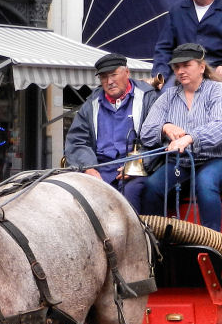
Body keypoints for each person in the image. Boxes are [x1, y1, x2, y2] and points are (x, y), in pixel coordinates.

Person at [139, 43, 222, 232]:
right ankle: (157, 246)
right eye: (177, 67)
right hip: (181, 163)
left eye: (186, 65)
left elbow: (221, 126)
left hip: (219, 160)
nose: (180, 71)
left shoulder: (218, 91)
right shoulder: (168, 96)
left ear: (201, 67)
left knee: (206, 181)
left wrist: (190, 137)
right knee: (151, 187)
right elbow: (146, 132)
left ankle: (212, 244)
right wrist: (165, 128)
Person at [64, 52, 159, 212]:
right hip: (100, 168)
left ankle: (134, 236)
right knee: (74, 196)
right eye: (103, 77)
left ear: (127, 72)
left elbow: (158, 138)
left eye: (114, 75)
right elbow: (77, 141)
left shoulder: (147, 97)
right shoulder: (91, 104)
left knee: (130, 193)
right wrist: (88, 167)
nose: (109, 82)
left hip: (135, 169)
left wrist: (139, 163)